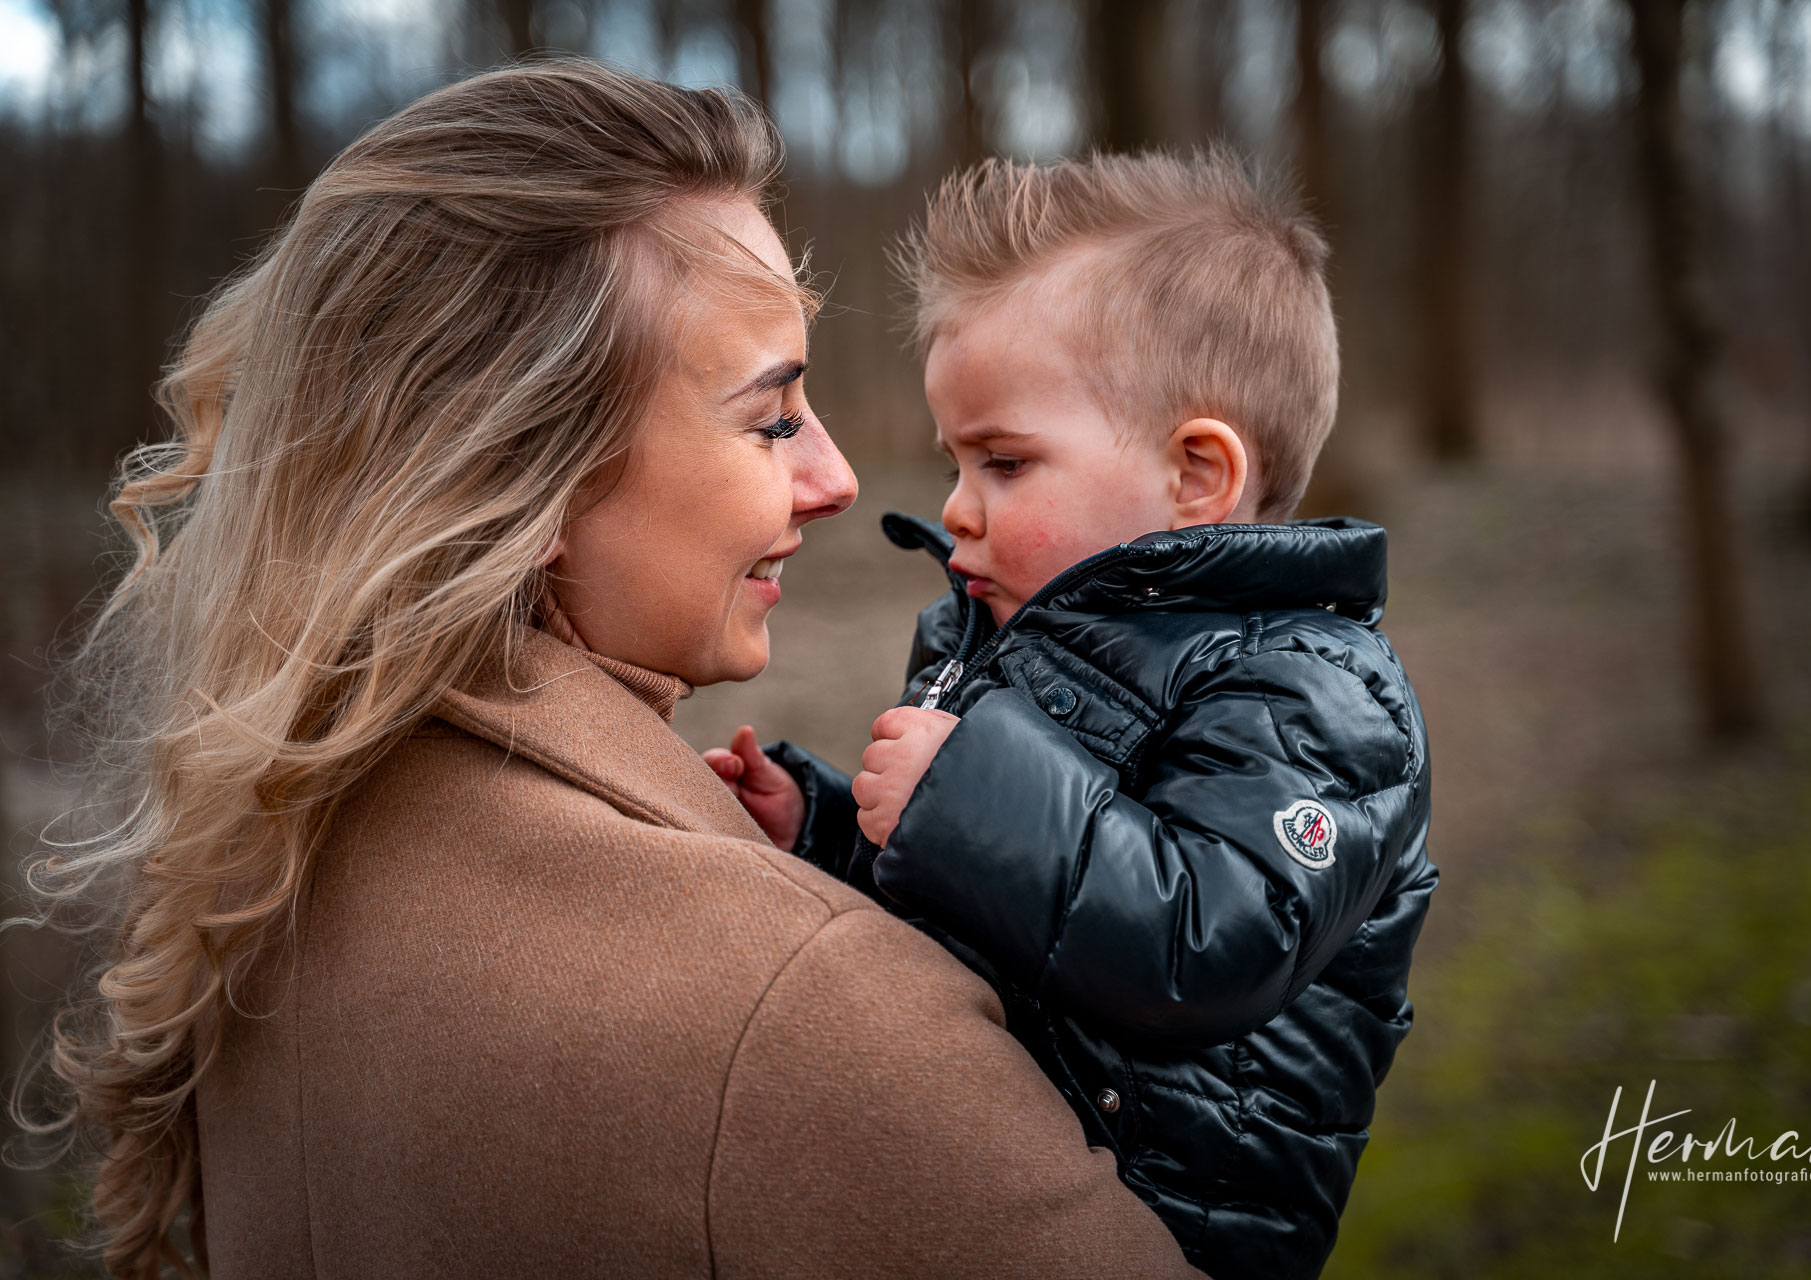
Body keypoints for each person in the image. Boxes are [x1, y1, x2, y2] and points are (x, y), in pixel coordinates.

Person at [21, 64, 1200, 1280]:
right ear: (520, 472)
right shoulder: (802, 1007)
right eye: (773, 419)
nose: (837, 480)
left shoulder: (264, 860)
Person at [705, 151, 1440, 1279]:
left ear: (1197, 474)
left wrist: (960, 796)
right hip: (995, 1182)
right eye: (957, 459)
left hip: (1163, 1225)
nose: (955, 506)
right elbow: (985, 910)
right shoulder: (1000, 629)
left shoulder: (1323, 691)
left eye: (1005, 461)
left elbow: (1201, 944)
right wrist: (830, 826)